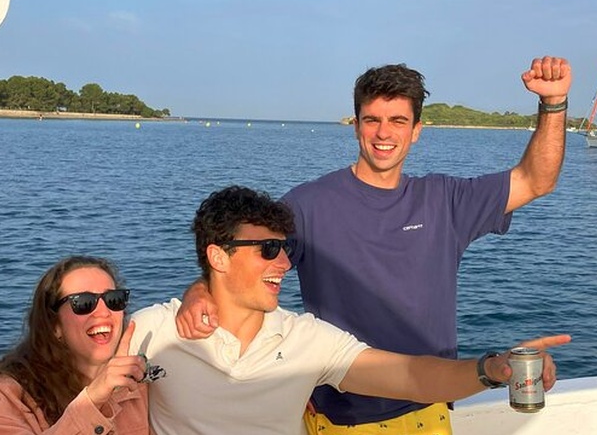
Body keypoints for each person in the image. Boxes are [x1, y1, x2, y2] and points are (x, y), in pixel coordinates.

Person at [176, 56, 573, 432]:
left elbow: (535, 180)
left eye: (398, 120)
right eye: (373, 120)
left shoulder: (446, 201)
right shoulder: (309, 205)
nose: (384, 133)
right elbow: (242, 262)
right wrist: (199, 294)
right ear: (356, 126)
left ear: (417, 130)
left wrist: (553, 104)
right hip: (341, 417)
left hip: (428, 408)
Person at [135, 185, 570, 434]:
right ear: (218, 257)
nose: (285, 262)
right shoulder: (153, 333)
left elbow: (412, 376)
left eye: (285, 248)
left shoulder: (306, 338)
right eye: (268, 250)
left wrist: (492, 368)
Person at [0, 255, 151, 434]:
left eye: (114, 299)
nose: (104, 312)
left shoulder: (138, 382)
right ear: (54, 325)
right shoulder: (9, 399)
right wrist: (92, 400)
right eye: (84, 303)